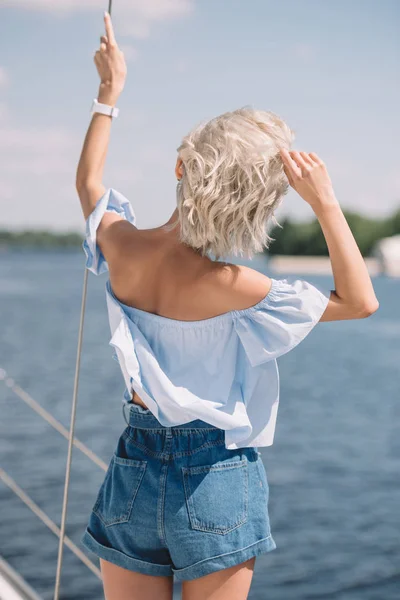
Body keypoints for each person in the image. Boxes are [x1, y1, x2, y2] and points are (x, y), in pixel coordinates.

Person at [76, 12, 379, 600]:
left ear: (181, 168)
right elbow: (361, 300)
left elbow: (89, 182)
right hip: (216, 475)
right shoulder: (236, 285)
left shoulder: (122, 245)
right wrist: (325, 201)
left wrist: (109, 91)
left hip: (133, 469)